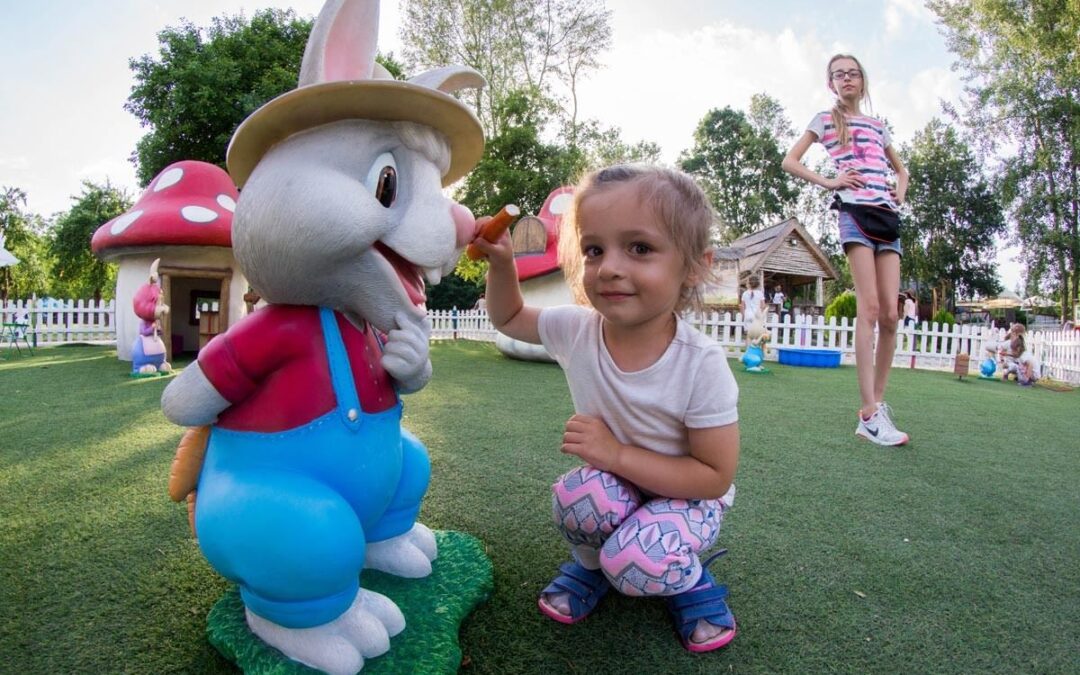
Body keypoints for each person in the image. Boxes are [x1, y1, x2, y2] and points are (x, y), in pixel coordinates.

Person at [471, 164, 740, 652]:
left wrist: (615, 454)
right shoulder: (578, 329)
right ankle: (591, 565)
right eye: (595, 250)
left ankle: (690, 579)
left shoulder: (701, 364)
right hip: (618, 488)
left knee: (638, 559)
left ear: (695, 266)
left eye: (639, 248)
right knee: (578, 496)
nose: (610, 267)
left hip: (688, 498)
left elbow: (714, 477)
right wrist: (501, 263)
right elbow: (510, 317)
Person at [782, 53, 910, 447]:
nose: (847, 79)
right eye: (839, 74)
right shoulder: (824, 120)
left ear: (862, 80)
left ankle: (878, 406)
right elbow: (790, 161)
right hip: (854, 214)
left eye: (853, 73)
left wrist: (898, 195)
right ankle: (868, 412)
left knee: (891, 313)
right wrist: (830, 181)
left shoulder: (877, 125)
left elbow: (902, 170)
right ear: (831, 83)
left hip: (887, 217)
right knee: (869, 309)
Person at [740, 276, 766, 342]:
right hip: (757, 315)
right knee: (757, 335)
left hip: (748, 314)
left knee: (748, 335)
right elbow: (763, 305)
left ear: (748, 284)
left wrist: (743, 315)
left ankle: (748, 351)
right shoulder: (760, 293)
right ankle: (755, 351)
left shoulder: (745, 293)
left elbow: (742, 306)